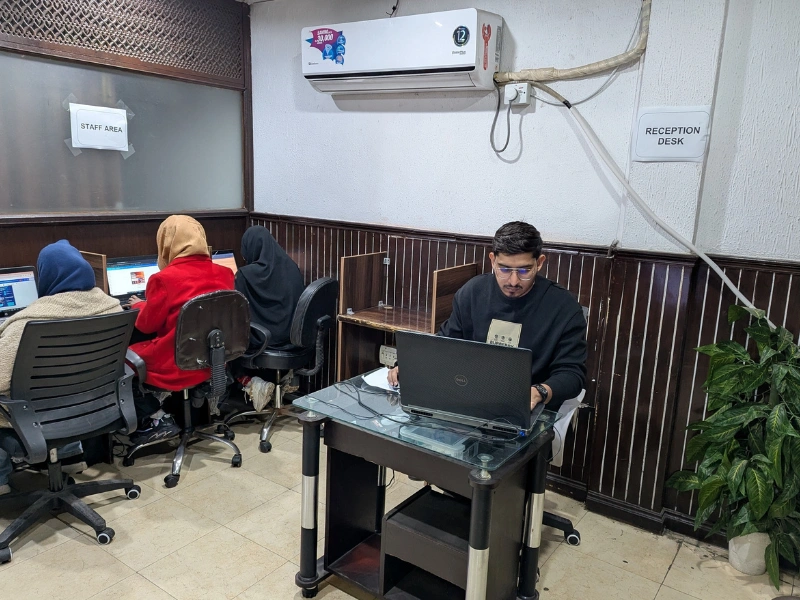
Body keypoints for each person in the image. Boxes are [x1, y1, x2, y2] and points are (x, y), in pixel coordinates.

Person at [388, 221, 587, 412]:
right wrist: (410, 365)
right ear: (492, 260)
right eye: (504, 269)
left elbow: (572, 374)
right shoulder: (473, 293)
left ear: (540, 263)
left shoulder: (563, 307)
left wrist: (539, 392)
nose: (513, 281)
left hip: (528, 407)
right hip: (470, 398)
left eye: (524, 270)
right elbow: (446, 344)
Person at [0, 240, 122, 495]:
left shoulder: (27, 322)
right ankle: (69, 456)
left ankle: (1, 479)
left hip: (36, 420)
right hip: (94, 409)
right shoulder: (113, 308)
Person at [127, 215, 234, 445]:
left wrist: (138, 305)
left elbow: (146, 325)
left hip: (175, 364)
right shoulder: (225, 274)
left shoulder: (163, 279)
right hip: (213, 362)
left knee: (122, 359)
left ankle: (156, 417)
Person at [231, 226, 305, 411]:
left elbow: (238, 311)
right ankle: (282, 378)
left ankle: (252, 383)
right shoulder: (292, 267)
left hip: (264, 341)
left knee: (228, 340)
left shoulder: (245, 275)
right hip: (293, 339)